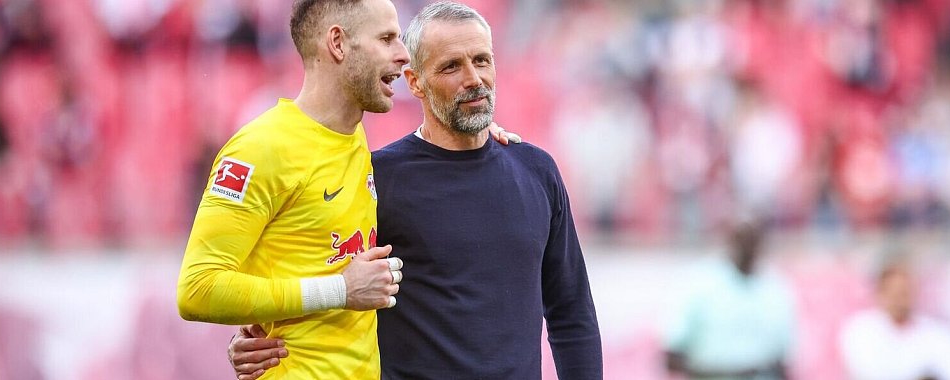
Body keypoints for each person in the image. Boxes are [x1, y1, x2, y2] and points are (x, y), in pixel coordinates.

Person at [227, 2, 603, 379]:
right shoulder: (376, 179)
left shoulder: (536, 171)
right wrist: (258, 333)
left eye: (482, 60)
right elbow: (321, 278)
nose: (473, 78)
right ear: (415, 82)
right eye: (451, 66)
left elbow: (571, 311)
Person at [176, 1, 515, 378]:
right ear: (338, 43)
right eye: (386, 39)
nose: (403, 55)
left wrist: (479, 140)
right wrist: (338, 290)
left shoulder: (355, 143)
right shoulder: (260, 150)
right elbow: (198, 288)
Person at [664, 217, 795, 380]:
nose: (747, 247)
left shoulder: (775, 288)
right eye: (742, 239)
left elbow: (786, 358)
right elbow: (672, 352)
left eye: (752, 240)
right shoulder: (701, 284)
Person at [839, 260, 950, 380]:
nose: (898, 300)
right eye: (892, 292)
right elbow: (867, 373)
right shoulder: (861, 330)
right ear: (879, 293)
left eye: (903, 292)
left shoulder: (942, 335)